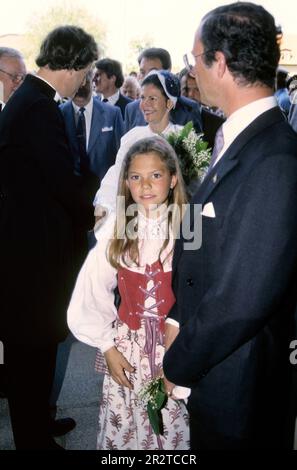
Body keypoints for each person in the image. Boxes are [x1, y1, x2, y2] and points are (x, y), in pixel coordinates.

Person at [163, 1, 297, 450]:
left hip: (239, 384)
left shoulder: (275, 157)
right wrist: (178, 313)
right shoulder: (236, 136)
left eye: (195, 59)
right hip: (218, 369)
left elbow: (242, 299)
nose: (191, 72)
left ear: (219, 62)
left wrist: (177, 362)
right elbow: (203, 231)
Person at [0, 25, 98, 449]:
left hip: (27, 255)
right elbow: (63, 181)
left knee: (35, 356)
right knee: (30, 360)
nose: (86, 78)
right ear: (73, 64)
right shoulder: (37, 107)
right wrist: (95, 211)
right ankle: (33, 440)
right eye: (86, 69)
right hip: (30, 263)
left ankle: (39, 422)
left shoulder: (31, 101)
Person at [68, 136, 190, 450]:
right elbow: (91, 288)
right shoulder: (117, 229)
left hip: (176, 349)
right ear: (126, 182)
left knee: (172, 430)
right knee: (128, 429)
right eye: (136, 177)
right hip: (130, 351)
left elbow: (202, 293)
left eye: (156, 175)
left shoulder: (188, 229)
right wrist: (107, 346)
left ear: (173, 178)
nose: (145, 185)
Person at [93, 70, 183, 219]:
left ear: (169, 103)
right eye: (142, 98)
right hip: (134, 218)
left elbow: (195, 184)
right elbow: (117, 176)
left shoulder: (184, 137)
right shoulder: (132, 137)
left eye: (152, 98)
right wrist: (105, 206)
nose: (144, 104)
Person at [124, 47, 202, 134]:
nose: (147, 77)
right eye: (142, 72)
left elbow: (195, 145)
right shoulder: (131, 109)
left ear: (168, 71)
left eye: (153, 71)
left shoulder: (188, 109)